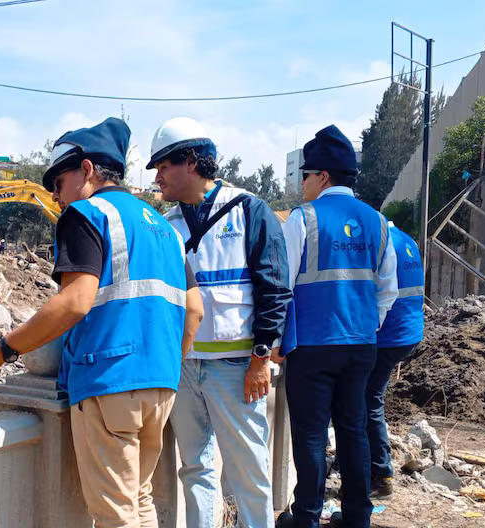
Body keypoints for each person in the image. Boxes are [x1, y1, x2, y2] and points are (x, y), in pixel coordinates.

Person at [0, 117, 204, 528]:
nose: (55, 195)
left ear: (86, 171)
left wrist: (0, 351)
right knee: (138, 501)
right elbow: (194, 311)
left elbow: (74, 301)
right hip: (162, 383)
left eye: (58, 182)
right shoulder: (163, 227)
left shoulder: (87, 214)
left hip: (110, 380)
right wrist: (165, 363)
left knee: (114, 516)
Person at [150, 117, 292, 528]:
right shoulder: (169, 224)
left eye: (163, 166)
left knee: (247, 469)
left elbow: (274, 287)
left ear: (191, 162)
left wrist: (260, 358)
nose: (157, 176)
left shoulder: (249, 211)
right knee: (195, 468)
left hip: (236, 369)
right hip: (185, 368)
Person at [276, 125, 398, 528]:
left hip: (311, 346)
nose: (302, 184)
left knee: (310, 435)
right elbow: (388, 290)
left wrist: (274, 342)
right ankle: (357, 516)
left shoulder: (303, 219)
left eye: (305, 176)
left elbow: (280, 286)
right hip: (361, 346)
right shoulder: (378, 222)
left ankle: (307, 515)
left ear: (322, 176)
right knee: (354, 429)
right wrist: (367, 328)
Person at [367, 221, 424, 500]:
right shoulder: (408, 240)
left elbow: (378, 293)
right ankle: (366, 462)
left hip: (388, 335)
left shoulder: (383, 242)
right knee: (368, 399)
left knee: (368, 401)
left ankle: (381, 475)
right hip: (408, 333)